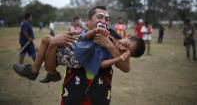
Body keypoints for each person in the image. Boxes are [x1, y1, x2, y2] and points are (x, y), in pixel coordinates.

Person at [14, 6, 145, 105]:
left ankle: (34, 69)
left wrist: (109, 46)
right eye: (99, 17)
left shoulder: (112, 38)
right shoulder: (82, 35)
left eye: (107, 19)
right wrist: (53, 43)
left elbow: (126, 67)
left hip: (98, 96)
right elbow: (49, 66)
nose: (104, 21)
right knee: (47, 41)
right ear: (87, 20)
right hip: (72, 95)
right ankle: (34, 70)